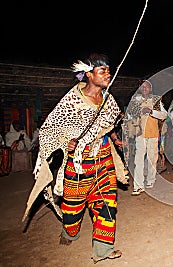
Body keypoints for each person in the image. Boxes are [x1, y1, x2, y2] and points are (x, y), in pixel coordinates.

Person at [22, 53, 129, 264]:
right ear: (89, 74)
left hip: (104, 159)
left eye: (108, 70)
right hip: (79, 164)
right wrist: (66, 142)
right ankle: (69, 231)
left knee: (107, 204)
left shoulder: (109, 99)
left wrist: (115, 139)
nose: (108, 74)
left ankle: (103, 249)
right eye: (102, 71)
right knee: (73, 207)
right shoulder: (71, 100)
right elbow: (50, 129)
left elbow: (110, 124)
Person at [123, 80, 168, 195]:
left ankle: (151, 180)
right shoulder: (135, 100)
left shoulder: (156, 100)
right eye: (142, 87)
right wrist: (139, 111)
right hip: (140, 134)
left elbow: (164, 115)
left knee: (152, 158)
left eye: (146, 87)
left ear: (150, 89)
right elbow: (128, 115)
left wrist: (151, 112)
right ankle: (138, 185)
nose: (144, 89)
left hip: (153, 133)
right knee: (138, 160)